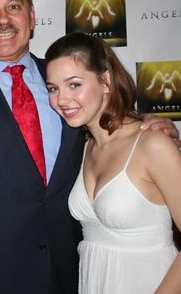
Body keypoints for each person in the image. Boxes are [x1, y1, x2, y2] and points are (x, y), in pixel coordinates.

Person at [0, 0, 180, 294]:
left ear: (32, 15)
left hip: (72, 273)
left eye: (13, 6)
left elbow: (112, 126)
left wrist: (155, 124)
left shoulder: (66, 84)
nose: (3, 19)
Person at [45, 32, 181, 294]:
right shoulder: (81, 148)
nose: (61, 99)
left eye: (74, 84)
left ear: (105, 80)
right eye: (53, 88)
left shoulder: (151, 143)